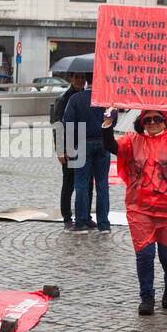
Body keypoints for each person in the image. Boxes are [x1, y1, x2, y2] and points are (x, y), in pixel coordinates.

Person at [102, 108, 167, 315]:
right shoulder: (132, 141)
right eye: (148, 119)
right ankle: (146, 296)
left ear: (165, 121)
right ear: (141, 122)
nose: (153, 122)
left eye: (158, 118)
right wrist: (107, 122)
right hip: (140, 209)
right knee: (145, 255)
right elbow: (111, 146)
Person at [62, 77, 110, 232]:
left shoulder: (76, 99)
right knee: (102, 185)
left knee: (81, 184)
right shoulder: (105, 98)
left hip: (82, 143)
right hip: (103, 142)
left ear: (86, 81)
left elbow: (67, 122)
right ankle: (103, 224)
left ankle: (81, 222)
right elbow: (113, 121)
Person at [50, 72, 93, 230]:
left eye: (83, 78)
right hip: (69, 145)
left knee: (88, 183)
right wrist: (60, 149)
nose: (80, 81)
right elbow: (57, 124)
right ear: (71, 79)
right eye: (77, 77)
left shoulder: (89, 96)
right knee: (69, 183)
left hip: (85, 144)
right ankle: (67, 217)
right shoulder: (64, 98)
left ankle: (86, 215)